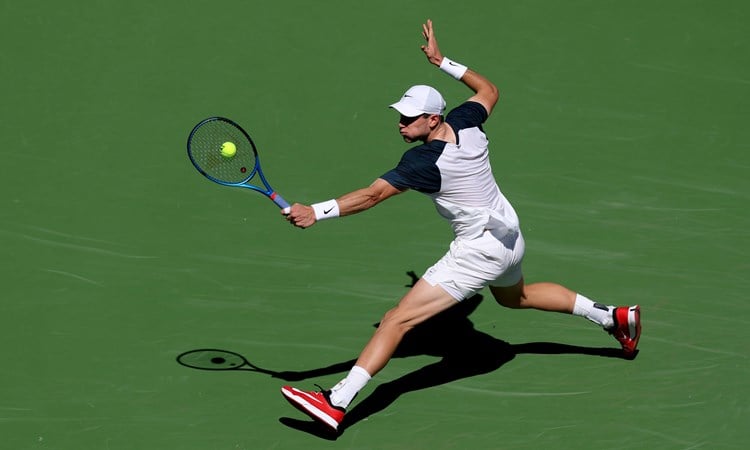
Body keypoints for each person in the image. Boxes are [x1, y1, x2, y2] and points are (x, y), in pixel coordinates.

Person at [280, 19, 641, 433]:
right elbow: (489, 91)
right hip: (509, 237)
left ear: (433, 119)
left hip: (478, 251)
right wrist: (442, 62)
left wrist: (316, 211)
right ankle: (612, 317)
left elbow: (371, 195)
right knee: (515, 297)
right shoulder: (467, 122)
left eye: (410, 118)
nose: (401, 124)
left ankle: (336, 402)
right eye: (400, 115)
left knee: (398, 320)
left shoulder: (424, 163)